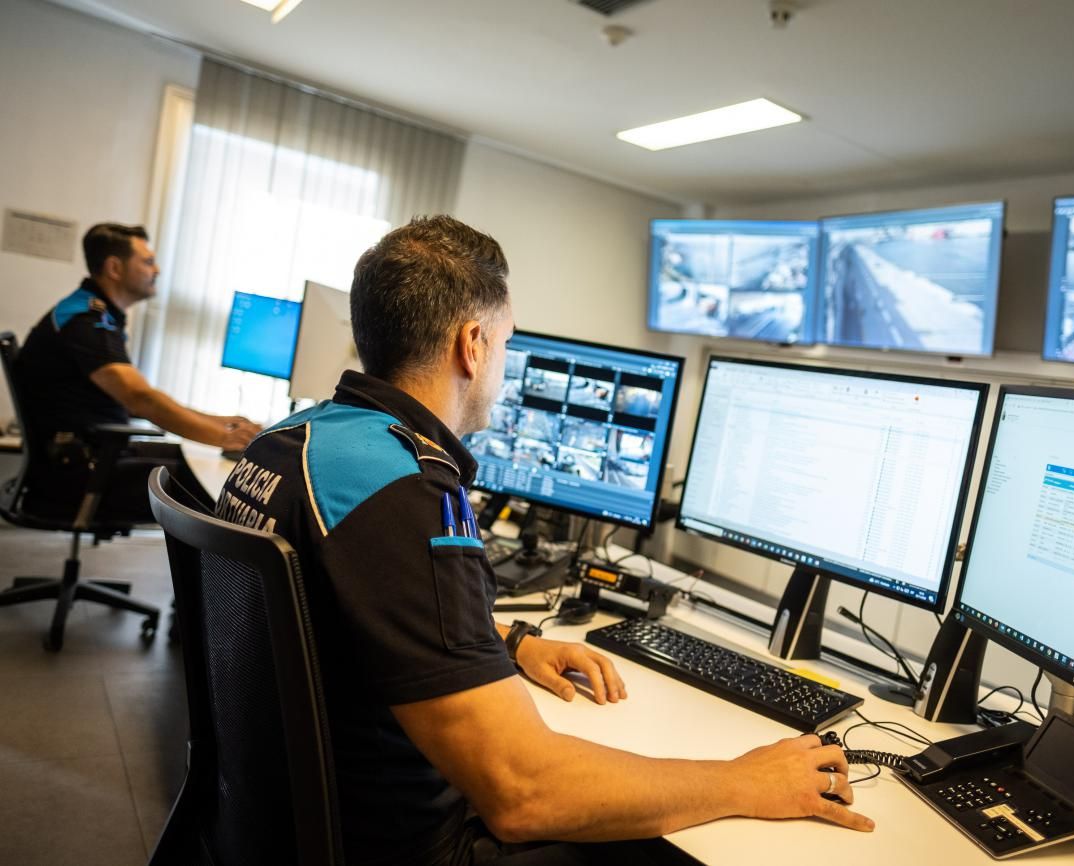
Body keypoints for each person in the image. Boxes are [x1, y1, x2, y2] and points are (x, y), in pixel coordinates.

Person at [215, 215, 874, 866]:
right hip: (398, 845)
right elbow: (523, 794)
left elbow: (346, 614)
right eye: (507, 342)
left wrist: (505, 643)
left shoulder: (292, 440)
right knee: (667, 850)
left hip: (276, 819)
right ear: (473, 344)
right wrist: (744, 781)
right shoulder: (405, 492)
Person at [13, 223, 259, 520]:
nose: (156, 270)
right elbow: (139, 397)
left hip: (90, 455)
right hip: (75, 473)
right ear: (114, 268)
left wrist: (217, 423)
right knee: (218, 488)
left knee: (195, 459)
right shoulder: (86, 321)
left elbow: (141, 399)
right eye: (147, 261)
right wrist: (222, 437)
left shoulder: (91, 313)